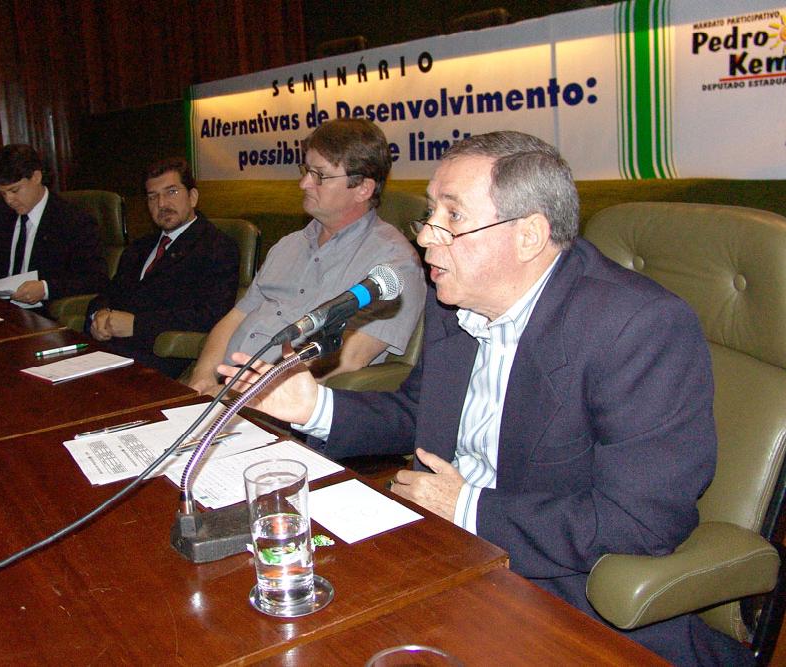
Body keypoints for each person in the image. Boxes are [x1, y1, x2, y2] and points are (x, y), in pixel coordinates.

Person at [220, 131, 751, 665]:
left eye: (452, 216)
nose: (427, 237)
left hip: (562, 593)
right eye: (430, 213)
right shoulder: (456, 300)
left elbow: (640, 521)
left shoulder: (638, 327)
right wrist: (314, 406)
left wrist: (467, 507)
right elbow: (420, 414)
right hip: (447, 548)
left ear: (528, 236)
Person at [188, 118, 425, 394]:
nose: (303, 183)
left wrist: (243, 395)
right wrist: (201, 380)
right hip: (220, 390)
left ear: (363, 188)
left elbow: (349, 358)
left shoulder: (393, 265)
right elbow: (235, 318)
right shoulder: (288, 245)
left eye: (319, 175)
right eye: (306, 170)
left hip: (277, 404)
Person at [84, 158, 239, 378]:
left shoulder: (216, 247)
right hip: (108, 351)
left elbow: (211, 316)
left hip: (159, 356)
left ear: (193, 197)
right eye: (152, 197)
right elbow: (108, 293)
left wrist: (137, 325)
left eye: (171, 192)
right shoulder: (139, 248)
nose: (162, 204)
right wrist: (98, 314)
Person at [0, 144, 108, 306]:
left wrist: (45, 288)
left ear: (36, 177)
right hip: (3, 308)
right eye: (3, 193)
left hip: (44, 312)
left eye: (14, 190)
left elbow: (96, 279)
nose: (9, 200)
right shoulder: (3, 214)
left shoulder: (73, 221)